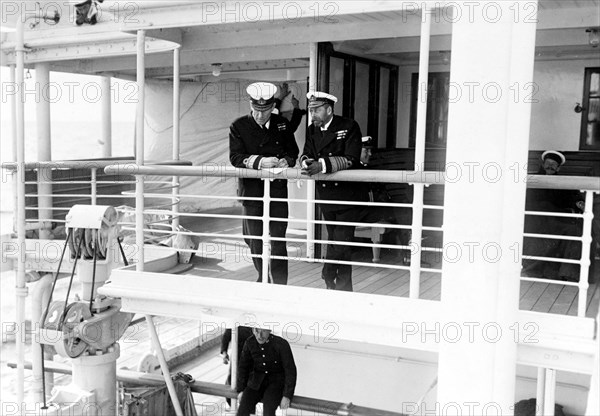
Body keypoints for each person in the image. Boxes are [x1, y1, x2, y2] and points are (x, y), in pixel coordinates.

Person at [229, 82, 299, 284]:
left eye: (265, 110)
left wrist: (287, 160)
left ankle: (279, 283)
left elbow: (292, 151)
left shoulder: (282, 124)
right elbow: (235, 157)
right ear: (251, 106)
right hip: (251, 192)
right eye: (256, 110)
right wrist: (260, 162)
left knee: (278, 240)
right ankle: (262, 277)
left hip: (276, 190)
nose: (260, 115)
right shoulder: (238, 126)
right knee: (253, 239)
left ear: (272, 107)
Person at [300, 91, 369, 291]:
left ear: (329, 110)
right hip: (327, 195)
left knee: (340, 240)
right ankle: (342, 289)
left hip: (349, 196)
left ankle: (329, 273)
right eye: (311, 110)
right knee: (339, 242)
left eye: (317, 110)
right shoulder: (313, 129)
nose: (313, 114)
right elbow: (306, 151)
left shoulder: (348, 126)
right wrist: (306, 161)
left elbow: (351, 158)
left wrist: (321, 165)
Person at [522, 150, 585, 281]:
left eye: (554, 164)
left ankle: (568, 273)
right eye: (548, 163)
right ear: (543, 164)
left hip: (555, 221)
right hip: (535, 221)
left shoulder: (562, 183)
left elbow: (573, 198)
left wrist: (578, 203)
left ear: (558, 167)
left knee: (576, 230)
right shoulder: (531, 181)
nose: (550, 166)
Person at [236, 327, 297, 416]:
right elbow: (243, 367)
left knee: (268, 411)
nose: (259, 335)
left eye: (263, 331)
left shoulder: (281, 344)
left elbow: (290, 371)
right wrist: (241, 390)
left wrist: (287, 395)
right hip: (256, 383)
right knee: (242, 410)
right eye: (256, 331)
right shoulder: (250, 342)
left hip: (275, 384)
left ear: (270, 330)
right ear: (253, 330)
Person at [220, 326, 254, 407]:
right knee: (233, 377)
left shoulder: (255, 325)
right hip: (237, 354)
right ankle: (233, 403)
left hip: (251, 356)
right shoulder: (236, 324)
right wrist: (224, 353)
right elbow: (226, 336)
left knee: (249, 378)